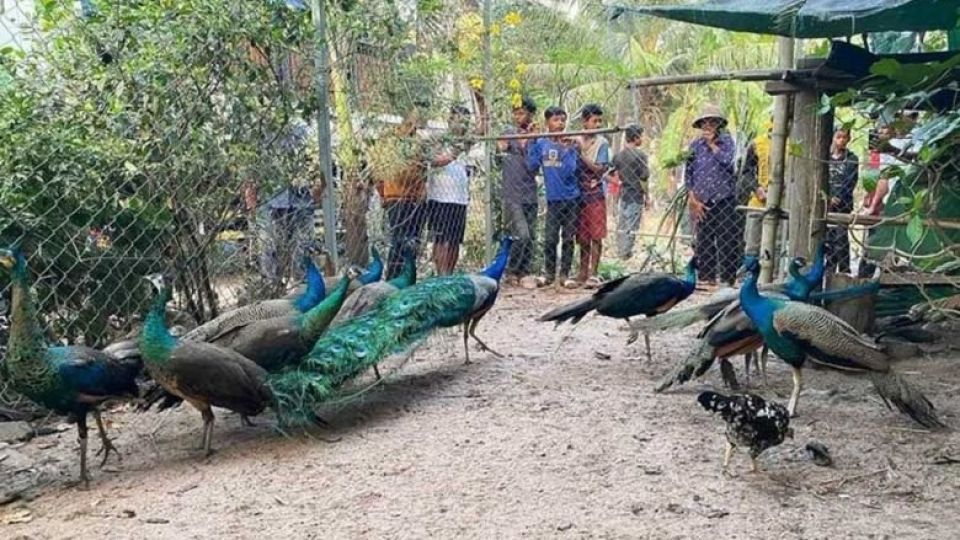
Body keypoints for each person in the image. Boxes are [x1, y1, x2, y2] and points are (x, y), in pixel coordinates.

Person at [684, 104, 741, 287]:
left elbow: (730, 164)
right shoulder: (694, 146)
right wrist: (692, 199)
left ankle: (727, 278)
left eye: (712, 122)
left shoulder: (728, 142)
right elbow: (689, 173)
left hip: (724, 197)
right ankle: (706, 278)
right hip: (702, 200)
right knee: (704, 239)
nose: (707, 126)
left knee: (726, 239)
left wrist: (712, 145)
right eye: (704, 122)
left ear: (719, 125)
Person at [373, 106, 429, 280]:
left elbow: (423, 170)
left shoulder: (419, 142)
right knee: (399, 241)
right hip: (396, 197)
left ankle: (409, 276)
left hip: (416, 198)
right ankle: (393, 277)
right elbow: (379, 171)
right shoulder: (389, 141)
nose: (415, 127)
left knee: (413, 241)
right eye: (412, 122)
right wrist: (382, 194)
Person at [527, 106, 579, 288]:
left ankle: (565, 275)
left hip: (571, 198)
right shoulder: (542, 143)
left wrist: (567, 149)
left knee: (568, 238)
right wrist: (532, 141)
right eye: (556, 120)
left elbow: (570, 170)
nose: (560, 124)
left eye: (563, 120)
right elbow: (532, 165)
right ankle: (549, 274)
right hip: (552, 199)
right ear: (547, 122)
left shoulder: (571, 143)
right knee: (550, 238)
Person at [426, 105, 474, 275]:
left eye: (466, 122)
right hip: (440, 197)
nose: (462, 126)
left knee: (454, 240)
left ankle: (449, 274)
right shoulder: (439, 140)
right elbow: (435, 160)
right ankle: (441, 274)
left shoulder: (466, 141)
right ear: (450, 121)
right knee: (441, 239)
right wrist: (454, 152)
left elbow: (483, 128)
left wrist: (480, 98)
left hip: (459, 199)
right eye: (459, 121)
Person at [497, 96, 539, 283]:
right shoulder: (508, 132)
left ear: (530, 114)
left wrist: (532, 139)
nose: (517, 116)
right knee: (521, 234)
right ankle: (511, 271)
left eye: (521, 112)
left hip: (530, 191)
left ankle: (525, 271)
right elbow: (500, 153)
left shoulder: (536, 137)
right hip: (512, 192)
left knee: (531, 235)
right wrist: (504, 146)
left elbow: (535, 166)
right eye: (515, 112)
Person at [575, 104, 611, 288]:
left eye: (599, 121)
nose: (597, 124)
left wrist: (581, 156)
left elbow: (600, 169)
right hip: (578, 193)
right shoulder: (575, 140)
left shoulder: (602, 143)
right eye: (594, 121)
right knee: (582, 236)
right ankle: (582, 272)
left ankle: (593, 273)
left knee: (596, 235)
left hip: (595, 192)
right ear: (584, 122)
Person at [610, 124, 649, 260]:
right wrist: (647, 197)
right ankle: (626, 253)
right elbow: (644, 177)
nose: (642, 139)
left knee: (622, 222)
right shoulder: (641, 156)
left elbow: (611, 175)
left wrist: (617, 188)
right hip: (636, 194)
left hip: (623, 193)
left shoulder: (618, 156)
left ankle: (620, 250)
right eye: (641, 136)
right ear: (635, 137)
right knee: (632, 225)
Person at [826, 127, 859, 273]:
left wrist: (837, 197)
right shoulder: (825, 158)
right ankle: (829, 269)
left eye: (845, 137)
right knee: (828, 238)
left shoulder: (851, 159)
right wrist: (827, 197)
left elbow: (850, 182)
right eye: (838, 137)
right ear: (833, 137)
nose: (841, 140)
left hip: (842, 204)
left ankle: (845, 270)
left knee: (841, 238)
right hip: (825, 204)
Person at [741, 120, 772, 257]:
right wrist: (757, 189)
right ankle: (751, 274)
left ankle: (775, 276)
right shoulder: (757, 143)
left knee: (777, 244)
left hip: (784, 199)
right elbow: (746, 172)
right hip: (759, 199)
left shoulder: (793, 144)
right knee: (752, 244)